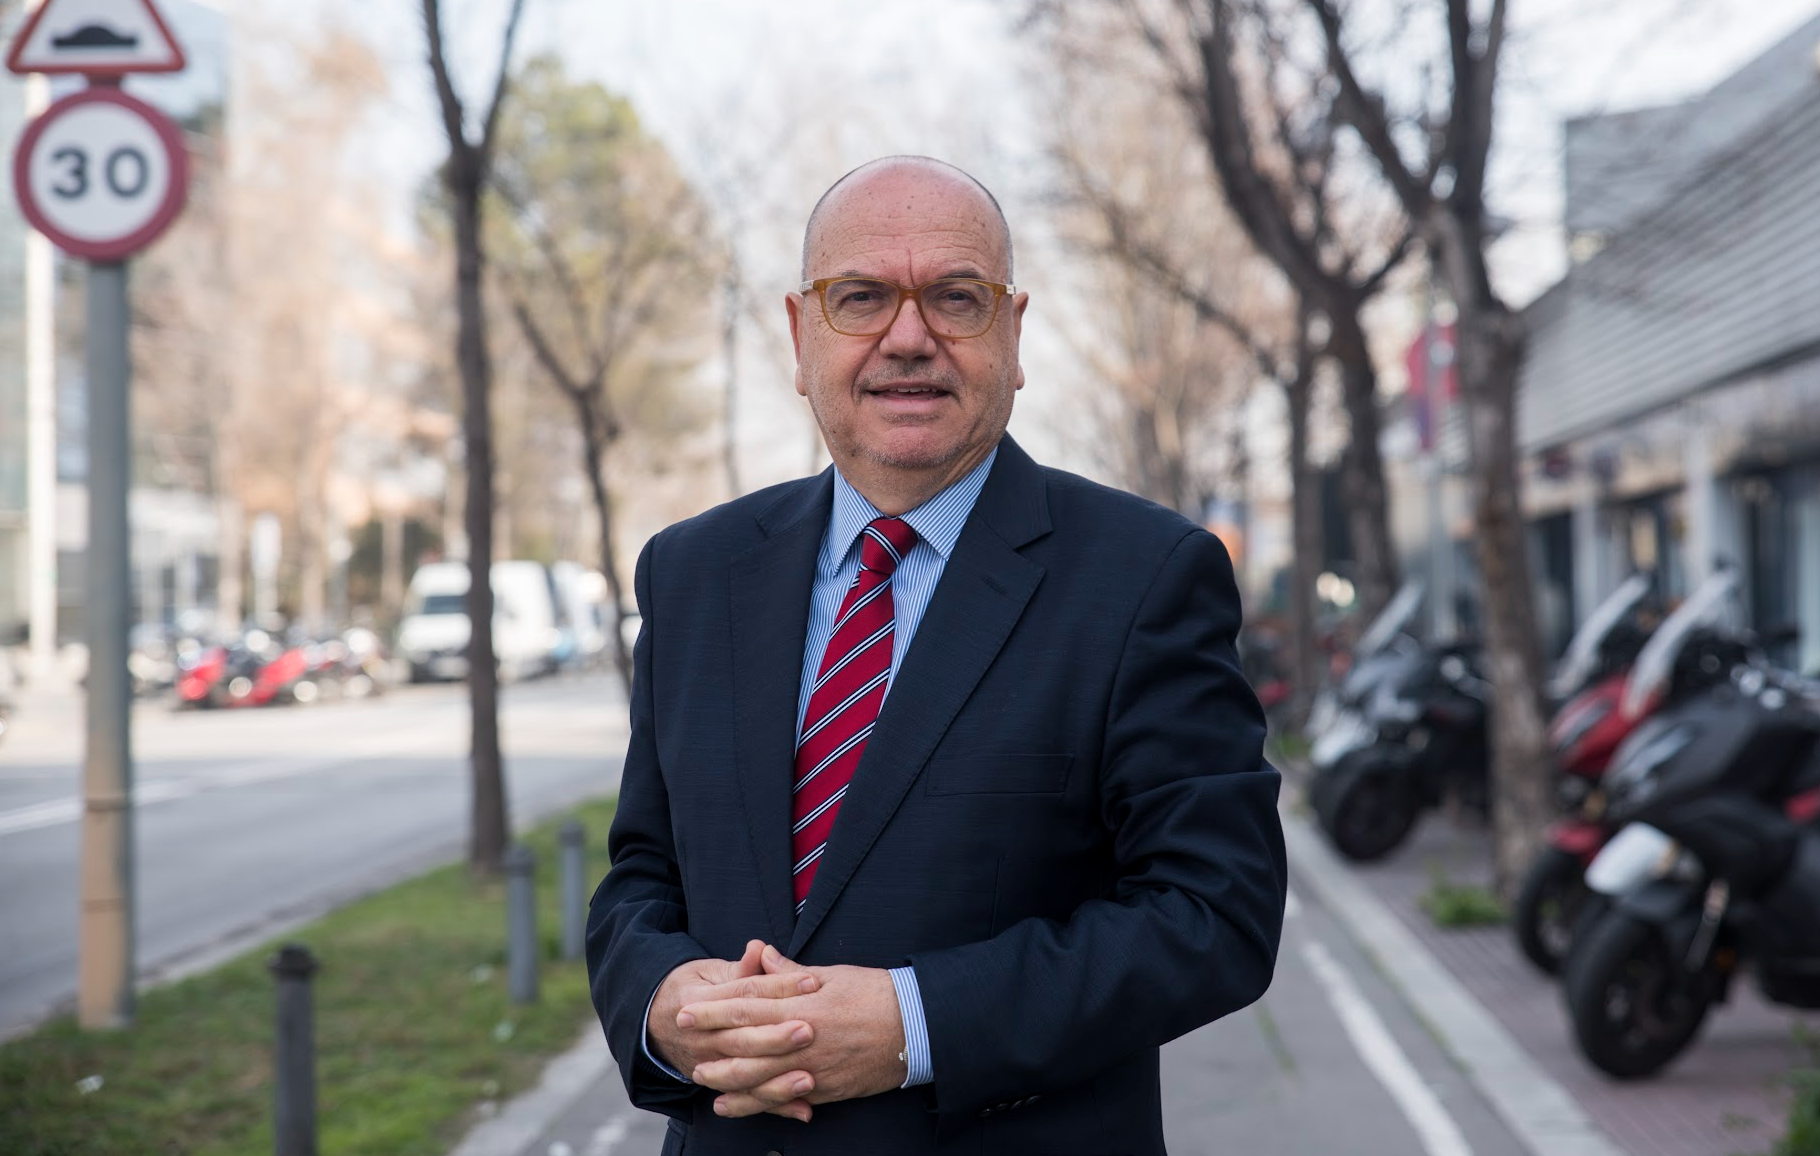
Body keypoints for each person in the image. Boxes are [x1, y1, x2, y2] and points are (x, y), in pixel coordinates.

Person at [586, 155, 1287, 1156]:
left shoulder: (1144, 576)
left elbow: (1213, 912)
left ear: (1011, 332)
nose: (906, 338)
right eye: (860, 297)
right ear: (798, 335)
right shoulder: (694, 573)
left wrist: (917, 1025)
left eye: (955, 298)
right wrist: (662, 1000)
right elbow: (641, 876)